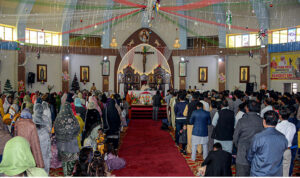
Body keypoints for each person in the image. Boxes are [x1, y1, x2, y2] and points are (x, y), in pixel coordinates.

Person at [247, 110, 288, 176]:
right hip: (276, 172)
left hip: (259, 172)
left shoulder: (258, 137)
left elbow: (250, 156)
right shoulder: (283, 137)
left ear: (264, 121)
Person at [233, 100, 264, 176]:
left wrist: (239, 146)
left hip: (242, 153)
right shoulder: (262, 121)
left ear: (247, 108)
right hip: (258, 154)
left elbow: (235, 138)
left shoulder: (242, 121)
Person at [54, 94, 80, 176]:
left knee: (64, 161)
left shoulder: (58, 117)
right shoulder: (73, 118)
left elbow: (55, 129)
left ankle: (66, 175)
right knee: (71, 161)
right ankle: (69, 173)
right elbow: (78, 129)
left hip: (62, 144)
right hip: (72, 144)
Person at [276, 106, 296, 177]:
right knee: (286, 170)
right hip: (288, 150)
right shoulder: (293, 126)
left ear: (280, 116)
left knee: (275, 169)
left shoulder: (277, 126)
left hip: (278, 150)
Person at [32, 102, 52, 174]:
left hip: (35, 139)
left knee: (36, 157)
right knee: (45, 158)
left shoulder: (31, 118)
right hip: (44, 138)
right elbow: (49, 129)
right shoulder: (45, 118)